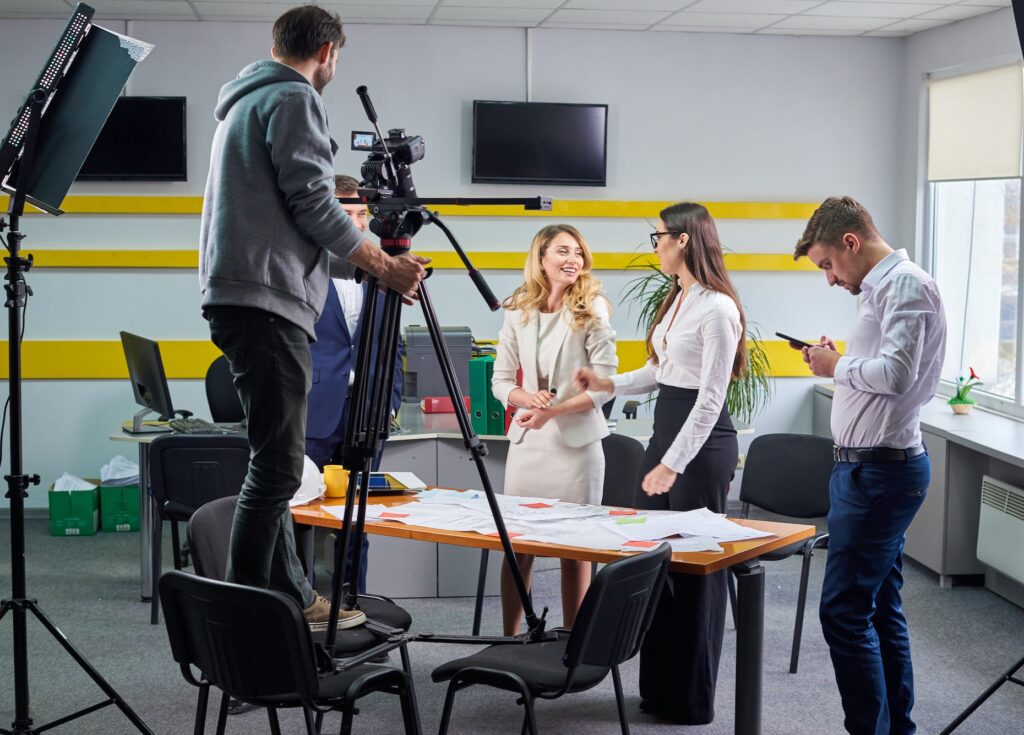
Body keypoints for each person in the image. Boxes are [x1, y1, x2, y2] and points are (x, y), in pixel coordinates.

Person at [198, 5, 427, 632]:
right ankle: (245, 629)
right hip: (267, 303)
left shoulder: (243, 105)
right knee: (276, 471)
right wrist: (384, 265)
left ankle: (296, 597)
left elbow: (289, 219)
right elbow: (313, 205)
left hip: (243, 295)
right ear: (326, 51)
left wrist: (369, 264)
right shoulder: (294, 98)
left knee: (271, 466)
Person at [574, 202, 746, 724]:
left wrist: (673, 462)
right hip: (668, 434)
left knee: (696, 571)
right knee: (654, 563)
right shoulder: (681, 299)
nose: (654, 246)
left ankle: (691, 700)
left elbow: (711, 398)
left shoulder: (718, 308)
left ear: (685, 240)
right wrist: (609, 383)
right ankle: (659, 689)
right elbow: (660, 371)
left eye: (658, 238)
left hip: (700, 446)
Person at [794, 196, 946, 735]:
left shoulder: (904, 284)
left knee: (842, 613)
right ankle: (893, 729)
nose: (830, 279)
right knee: (879, 607)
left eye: (827, 265)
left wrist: (840, 366)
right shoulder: (880, 291)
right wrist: (840, 362)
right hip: (865, 470)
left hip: (880, 473)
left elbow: (899, 376)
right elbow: (878, 370)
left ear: (850, 243)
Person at [491, 224, 617, 635]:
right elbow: (501, 381)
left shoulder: (592, 307)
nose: (573, 260)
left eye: (579, 252)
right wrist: (528, 400)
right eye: (563, 251)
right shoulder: (517, 308)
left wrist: (555, 409)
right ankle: (509, 639)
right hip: (529, 443)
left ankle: (573, 647)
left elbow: (603, 385)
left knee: (574, 551)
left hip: (576, 446)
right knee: (518, 550)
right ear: (541, 259)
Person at [304, 174, 404, 594]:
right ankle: (297, 607)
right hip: (311, 410)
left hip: (367, 412)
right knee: (301, 516)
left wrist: (390, 402)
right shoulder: (302, 269)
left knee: (357, 521)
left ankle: (353, 604)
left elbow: (392, 345)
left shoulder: (386, 270)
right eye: (346, 214)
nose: (358, 223)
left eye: (363, 214)